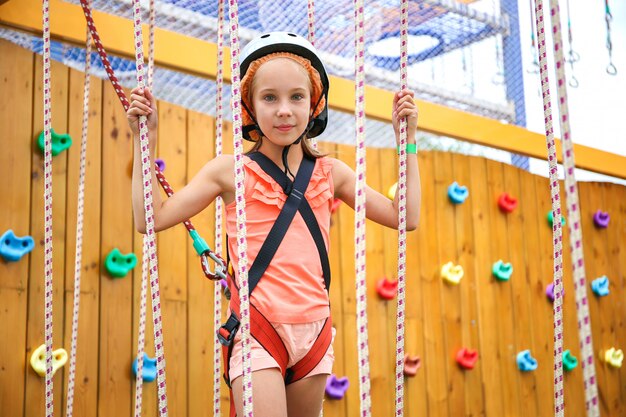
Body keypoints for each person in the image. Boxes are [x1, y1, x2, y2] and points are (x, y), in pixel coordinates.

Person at [127, 31, 420, 417]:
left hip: (314, 334)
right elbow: (150, 219)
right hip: (257, 330)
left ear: (314, 105)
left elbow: (406, 217)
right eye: (270, 98)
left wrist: (408, 142)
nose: (284, 110)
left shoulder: (333, 173)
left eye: (297, 97)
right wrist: (142, 140)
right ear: (249, 107)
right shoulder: (230, 172)